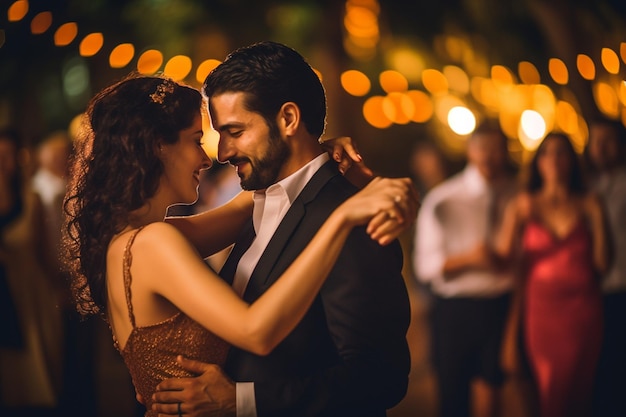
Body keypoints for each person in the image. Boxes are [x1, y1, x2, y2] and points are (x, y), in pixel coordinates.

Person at [60, 72, 417, 417]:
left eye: (234, 132)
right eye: (196, 139)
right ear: (157, 146)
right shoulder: (154, 243)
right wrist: (342, 216)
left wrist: (312, 151)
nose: (210, 157)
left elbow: (249, 204)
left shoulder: (127, 242)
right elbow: (255, 331)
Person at [151, 41, 413, 417]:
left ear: (289, 118)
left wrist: (242, 402)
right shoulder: (258, 204)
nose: (222, 152)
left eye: (235, 131)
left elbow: (380, 378)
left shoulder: (353, 218)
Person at [495, 132, 608, 417]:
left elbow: (603, 265)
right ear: (538, 162)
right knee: (551, 390)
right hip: (542, 315)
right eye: (546, 153)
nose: (554, 160)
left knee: (581, 395)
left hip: (584, 314)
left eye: (561, 153)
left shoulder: (588, 204)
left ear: (572, 160)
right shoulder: (523, 205)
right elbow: (504, 262)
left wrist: (597, 217)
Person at [413, 122, 517, 417]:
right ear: (471, 151)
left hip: (500, 307)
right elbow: (425, 267)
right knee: (453, 396)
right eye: (484, 148)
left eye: (497, 149)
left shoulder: (517, 194)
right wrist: (471, 259)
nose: (490, 156)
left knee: (494, 394)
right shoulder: (443, 198)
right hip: (455, 311)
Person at [0, 128, 63, 413]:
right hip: (4, 297)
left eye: (12, 156)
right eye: (2, 157)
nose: (8, 164)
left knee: (37, 380)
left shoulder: (31, 197)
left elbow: (47, 254)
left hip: (31, 296)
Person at [586, 117, 626, 417]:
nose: (600, 149)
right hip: (594, 295)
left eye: (608, 141)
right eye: (595, 142)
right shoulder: (586, 187)